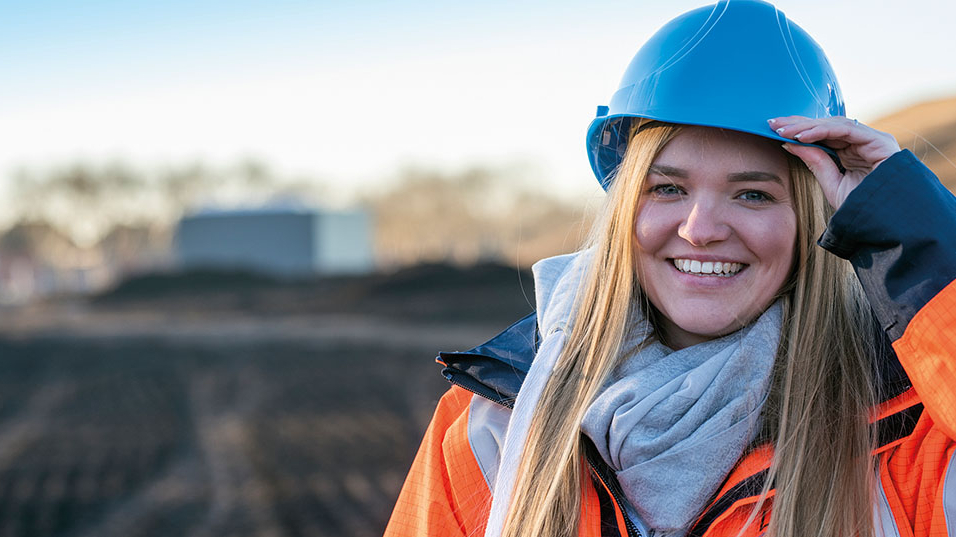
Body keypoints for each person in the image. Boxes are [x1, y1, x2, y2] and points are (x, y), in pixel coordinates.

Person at [385, 1, 956, 536]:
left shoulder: (908, 431)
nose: (700, 228)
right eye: (668, 188)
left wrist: (912, 230)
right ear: (625, 204)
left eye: (753, 195)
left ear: (811, 220)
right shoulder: (490, 431)